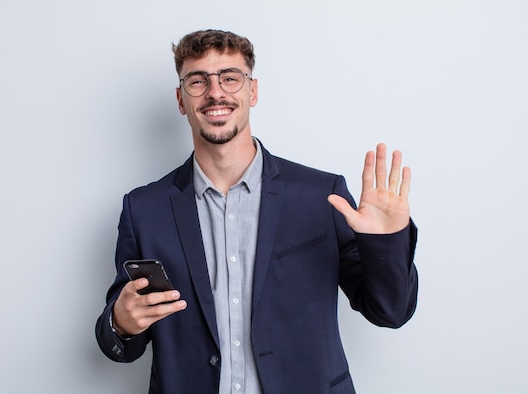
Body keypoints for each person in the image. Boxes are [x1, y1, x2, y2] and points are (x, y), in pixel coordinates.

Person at [95, 29, 418, 394]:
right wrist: (121, 322)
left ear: (253, 91)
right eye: (197, 81)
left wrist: (387, 243)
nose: (216, 92)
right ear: (181, 99)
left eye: (230, 78)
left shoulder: (320, 196)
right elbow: (121, 339)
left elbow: (390, 311)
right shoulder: (144, 209)